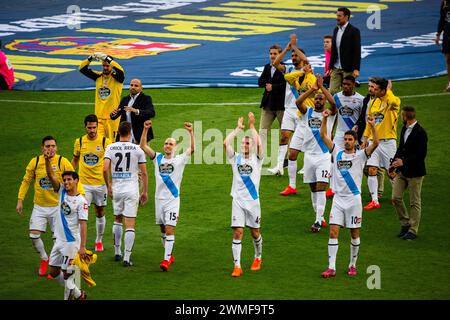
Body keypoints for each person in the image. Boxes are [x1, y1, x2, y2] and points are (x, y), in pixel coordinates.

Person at [319, 111, 379, 278]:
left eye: (350, 139)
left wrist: (373, 127)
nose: (347, 142)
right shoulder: (336, 152)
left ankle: (352, 265)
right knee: (333, 232)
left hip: (354, 200)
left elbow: (376, 143)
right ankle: (331, 267)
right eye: (345, 139)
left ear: (355, 141)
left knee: (354, 233)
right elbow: (323, 135)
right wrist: (324, 118)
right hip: (338, 199)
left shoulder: (361, 156)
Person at [16, 136, 79, 277]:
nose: (50, 149)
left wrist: (79, 196)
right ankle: (45, 259)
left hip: (57, 207)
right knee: (33, 236)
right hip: (39, 206)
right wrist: (20, 199)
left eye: (52, 146)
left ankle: (56, 266)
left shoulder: (63, 162)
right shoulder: (35, 162)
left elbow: (75, 179)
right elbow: (26, 181)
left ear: (56, 147)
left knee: (58, 240)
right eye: (47, 146)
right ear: (42, 148)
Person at [139, 120, 194, 271]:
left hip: (172, 200)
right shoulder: (157, 158)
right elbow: (143, 146)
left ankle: (166, 260)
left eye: (170, 144)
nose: (167, 146)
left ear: (175, 147)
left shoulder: (180, 159)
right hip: (159, 200)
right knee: (163, 229)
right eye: (166, 143)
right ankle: (169, 255)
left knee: (170, 230)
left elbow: (192, 149)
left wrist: (191, 132)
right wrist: (145, 129)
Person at [224, 112, 264, 277]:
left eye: (248, 143)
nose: (245, 145)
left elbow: (260, 145)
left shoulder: (257, 159)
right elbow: (226, 143)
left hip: (253, 202)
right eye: (243, 143)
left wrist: (252, 126)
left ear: (252, 146)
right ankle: (237, 266)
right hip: (238, 201)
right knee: (238, 232)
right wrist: (238, 129)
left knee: (255, 233)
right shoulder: (235, 158)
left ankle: (258, 256)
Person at [103, 121, 148, 266]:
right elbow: (144, 173)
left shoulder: (110, 147)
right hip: (131, 190)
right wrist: (145, 191)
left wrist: (108, 185)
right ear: (130, 133)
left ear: (118, 132)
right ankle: (127, 258)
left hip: (117, 188)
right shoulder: (137, 149)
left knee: (117, 219)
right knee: (130, 224)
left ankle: (117, 252)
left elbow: (104, 169)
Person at [296, 75, 337, 232]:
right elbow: (298, 102)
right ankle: (319, 216)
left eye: (321, 99)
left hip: (323, 156)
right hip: (309, 156)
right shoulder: (308, 112)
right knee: (313, 188)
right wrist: (312, 89)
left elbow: (333, 103)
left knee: (321, 187)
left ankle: (318, 221)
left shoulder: (329, 114)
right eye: (317, 98)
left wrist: (322, 88)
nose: (319, 100)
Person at [45, 164, 88, 300]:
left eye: (69, 179)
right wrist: (47, 161)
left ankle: (70, 296)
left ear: (76, 181)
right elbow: (51, 176)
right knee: (53, 271)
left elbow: (83, 224)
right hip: (58, 240)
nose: (66, 182)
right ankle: (79, 294)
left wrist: (82, 247)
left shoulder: (81, 201)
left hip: (71, 242)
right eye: (65, 180)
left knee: (67, 273)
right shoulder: (61, 191)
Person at [268, 34, 308, 176]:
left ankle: (307, 166)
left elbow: (305, 59)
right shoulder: (289, 70)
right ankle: (279, 166)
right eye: (292, 56)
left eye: (295, 55)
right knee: (284, 136)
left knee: (305, 139)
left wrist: (295, 47)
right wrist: (287, 48)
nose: (294, 57)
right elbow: (275, 63)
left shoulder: (306, 71)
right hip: (289, 109)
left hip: (303, 110)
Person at [72, 114, 111, 252]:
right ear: (85, 127)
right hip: (84, 185)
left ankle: (98, 240)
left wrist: (110, 182)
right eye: (89, 127)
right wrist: (70, 176)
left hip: (100, 184)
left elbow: (109, 163)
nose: (92, 130)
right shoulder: (80, 142)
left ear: (97, 127)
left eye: (94, 127)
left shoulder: (105, 142)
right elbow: (75, 159)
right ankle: (79, 243)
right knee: (81, 214)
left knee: (100, 211)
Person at [362, 78, 401, 210]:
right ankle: (374, 200)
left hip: (388, 142)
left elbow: (393, 102)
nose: (373, 90)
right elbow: (369, 122)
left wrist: (388, 91)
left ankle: (397, 196)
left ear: (384, 90)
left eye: (377, 89)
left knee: (392, 172)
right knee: (372, 169)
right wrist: (366, 138)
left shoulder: (393, 101)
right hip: (374, 142)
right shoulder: (372, 103)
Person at [278, 63, 317, 196]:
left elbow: (317, 93)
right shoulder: (298, 79)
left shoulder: (312, 79)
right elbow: (287, 77)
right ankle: (292, 186)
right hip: (301, 121)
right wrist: (301, 72)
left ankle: (326, 183)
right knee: (292, 153)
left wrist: (308, 74)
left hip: (312, 121)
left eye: (307, 66)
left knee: (316, 155)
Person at [390, 106, 428, 241]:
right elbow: (401, 147)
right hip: (402, 171)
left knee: (414, 202)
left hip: (415, 173)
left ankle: (413, 230)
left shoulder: (420, 132)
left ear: (405, 116)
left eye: (402, 115)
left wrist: (403, 162)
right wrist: (394, 163)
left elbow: (421, 155)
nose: (401, 117)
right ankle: (405, 223)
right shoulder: (405, 128)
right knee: (396, 198)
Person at [79, 52, 125, 141]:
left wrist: (109, 60)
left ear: (112, 66)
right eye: (103, 66)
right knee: (99, 142)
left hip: (113, 118)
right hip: (99, 119)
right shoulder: (98, 76)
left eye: (107, 66)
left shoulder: (118, 78)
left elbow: (121, 71)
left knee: (112, 144)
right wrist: (90, 58)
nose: (105, 68)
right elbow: (82, 69)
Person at [355, 78, 385, 199]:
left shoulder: (383, 101)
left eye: (373, 87)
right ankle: (375, 188)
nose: (370, 89)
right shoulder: (367, 99)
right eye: (369, 86)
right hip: (366, 135)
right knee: (362, 163)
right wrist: (357, 125)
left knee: (378, 166)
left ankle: (380, 191)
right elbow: (363, 116)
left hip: (379, 136)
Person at [257, 44, 286, 151]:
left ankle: (285, 159)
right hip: (268, 105)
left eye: (275, 54)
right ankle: (259, 156)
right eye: (271, 54)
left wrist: (273, 87)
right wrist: (268, 84)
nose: (272, 56)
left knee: (284, 133)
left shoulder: (285, 68)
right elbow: (260, 82)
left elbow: (286, 85)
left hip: (281, 106)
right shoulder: (267, 67)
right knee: (262, 132)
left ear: (280, 55)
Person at [110, 79, 156, 144]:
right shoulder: (125, 99)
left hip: (140, 134)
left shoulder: (146, 98)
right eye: (131, 85)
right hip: (125, 135)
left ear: (141, 88)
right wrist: (113, 114)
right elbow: (116, 115)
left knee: (140, 154)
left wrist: (136, 111)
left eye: (136, 86)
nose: (133, 87)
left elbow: (151, 113)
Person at [329, 7, 361, 94]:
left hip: (348, 68)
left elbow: (357, 51)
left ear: (346, 17)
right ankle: (336, 108)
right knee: (332, 91)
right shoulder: (336, 30)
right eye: (337, 15)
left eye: (340, 16)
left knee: (347, 92)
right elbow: (334, 49)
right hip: (336, 67)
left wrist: (356, 68)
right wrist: (330, 66)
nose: (337, 18)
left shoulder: (354, 31)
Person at [436, 0, 450, 91]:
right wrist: (438, 34)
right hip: (448, 32)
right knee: (448, 58)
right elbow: (442, 19)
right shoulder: (445, 2)